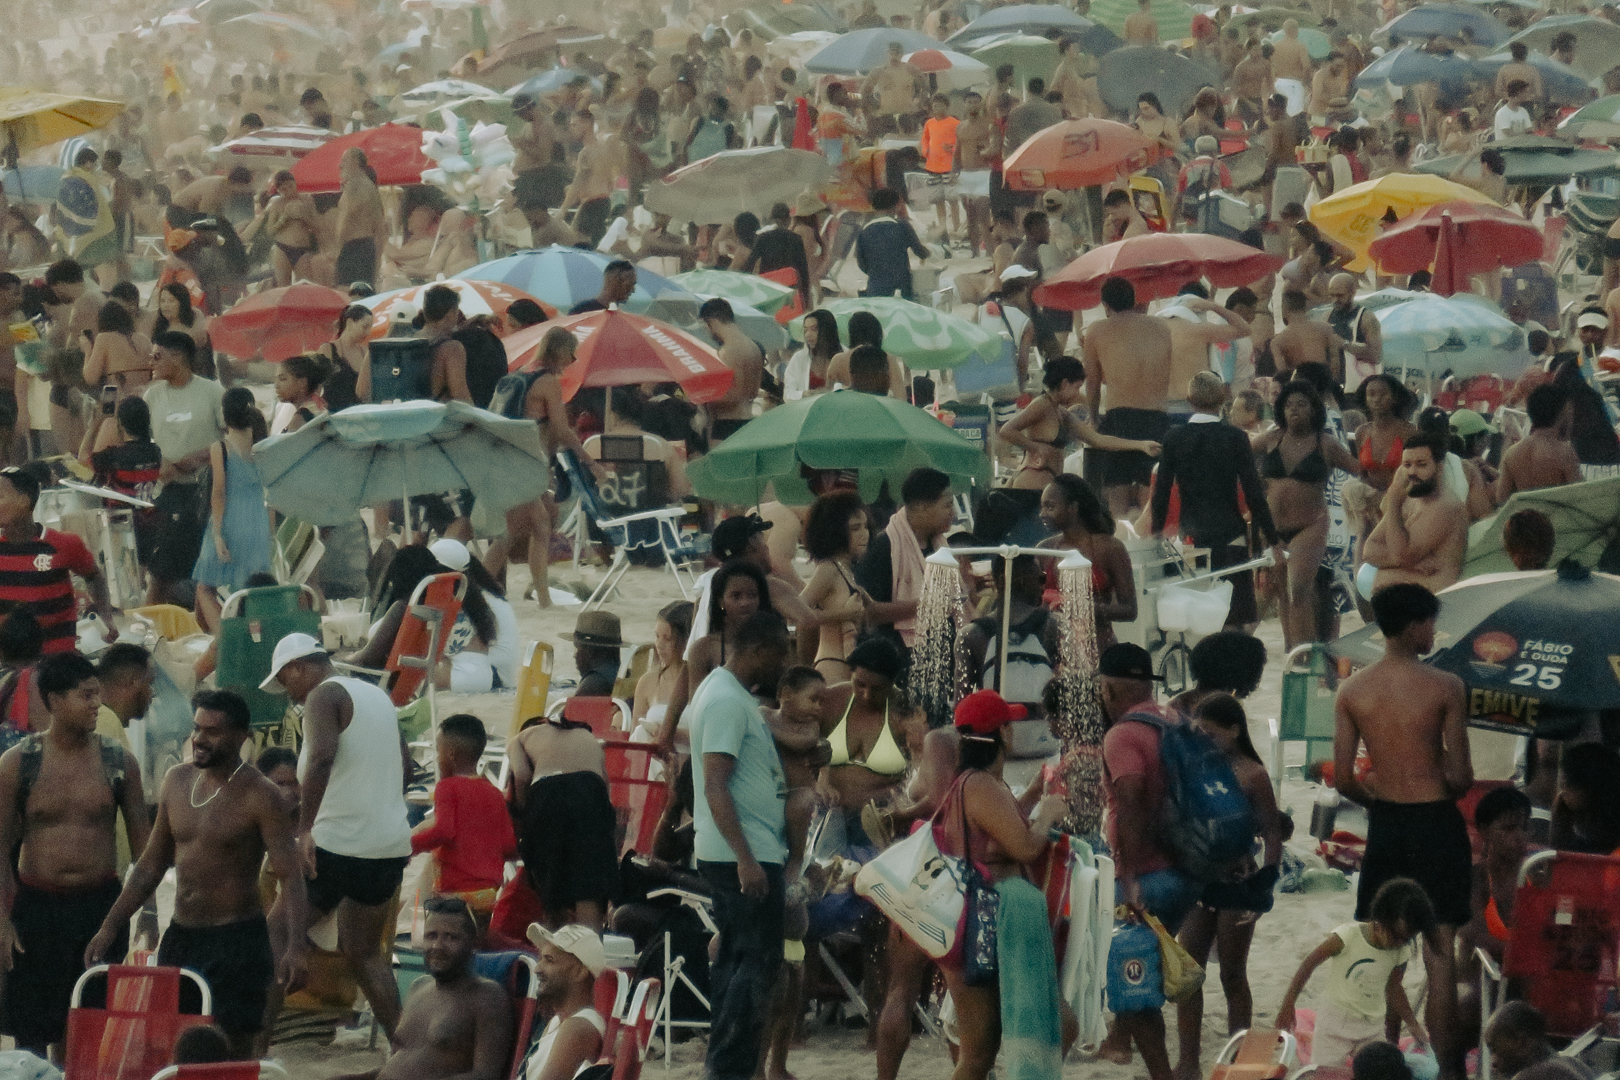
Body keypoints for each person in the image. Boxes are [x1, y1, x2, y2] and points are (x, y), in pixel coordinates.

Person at [85, 690, 306, 1059]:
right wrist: (110, 926)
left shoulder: (260, 794)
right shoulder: (177, 780)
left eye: (213, 731)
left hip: (236, 939)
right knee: (174, 1043)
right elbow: (151, 865)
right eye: (197, 728)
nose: (200, 738)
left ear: (241, 736)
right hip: (182, 936)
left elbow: (291, 876)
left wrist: (296, 947)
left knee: (232, 1049)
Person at [1334, 583, 1472, 1080]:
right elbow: (1461, 779)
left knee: (1386, 950)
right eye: (1431, 622)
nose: (1434, 632)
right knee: (1440, 955)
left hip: (1389, 824)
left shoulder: (1353, 690)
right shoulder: (1446, 686)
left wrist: (1380, 800)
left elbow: (1344, 778)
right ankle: (1450, 1071)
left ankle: (1387, 1059)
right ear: (1414, 626)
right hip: (1436, 822)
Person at [260, 632, 412, 1040]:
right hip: (387, 845)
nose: (290, 695)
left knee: (276, 932)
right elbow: (406, 765)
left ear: (297, 667)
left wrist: (305, 829)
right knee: (364, 952)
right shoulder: (377, 696)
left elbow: (322, 757)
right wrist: (380, 812)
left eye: (286, 682)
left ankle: (256, 1050)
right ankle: (404, 1050)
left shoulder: (322, 695)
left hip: (338, 844)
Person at [0, 651, 149, 1058]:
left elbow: (146, 852)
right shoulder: (18, 764)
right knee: (31, 1033)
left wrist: (147, 913)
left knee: (89, 1030)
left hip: (100, 908)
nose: (97, 704)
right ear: (54, 700)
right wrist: (3, 922)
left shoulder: (118, 762)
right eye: (85, 695)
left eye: (97, 694)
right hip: (36, 909)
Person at [935, 690, 1070, 1080]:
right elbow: (1025, 847)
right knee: (981, 1051)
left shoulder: (971, 782)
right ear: (1003, 734)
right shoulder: (982, 785)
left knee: (982, 1050)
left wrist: (1031, 795)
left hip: (976, 913)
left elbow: (996, 832)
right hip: (993, 917)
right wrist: (1047, 814)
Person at [689, 610, 792, 1080]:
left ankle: (728, 1067)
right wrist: (746, 859)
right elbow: (716, 784)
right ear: (758, 649)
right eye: (780, 653)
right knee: (754, 965)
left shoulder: (728, 695)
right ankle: (729, 1069)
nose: (784, 664)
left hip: (745, 848)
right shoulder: (726, 701)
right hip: (743, 852)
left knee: (737, 961)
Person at [1094, 643, 1201, 1080]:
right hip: (1188, 870)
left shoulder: (1122, 735)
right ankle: (1125, 1044)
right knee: (1147, 967)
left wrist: (1131, 876)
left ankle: (1162, 1075)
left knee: (1135, 983)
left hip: (1149, 875)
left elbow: (1132, 798)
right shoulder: (1177, 720)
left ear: (1108, 687)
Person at [1174, 694, 1285, 1080]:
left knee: (1233, 975)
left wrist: (1266, 883)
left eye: (1210, 733)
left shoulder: (1253, 774)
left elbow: (1272, 832)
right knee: (1188, 974)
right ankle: (1188, 1062)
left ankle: (1241, 1064)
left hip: (1238, 885)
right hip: (1199, 883)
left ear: (1235, 731)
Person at [1151, 372, 1280, 630]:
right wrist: (1273, 540)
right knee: (1235, 616)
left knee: (1199, 617)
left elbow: (1161, 493)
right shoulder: (1235, 437)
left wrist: (1155, 536)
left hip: (1191, 539)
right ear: (1223, 398)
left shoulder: (1174, 438)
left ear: (1189, 400)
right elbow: (1254, 493)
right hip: (1230, 535)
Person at [341, 898, 514, 1080]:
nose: (437, 946)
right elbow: (403, 1063)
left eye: (451, 937)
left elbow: (486, 1075)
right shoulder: (418, 987)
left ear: (473, 943)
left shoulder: (487, 997)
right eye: (431, 936)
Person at [1276, 878, 1434, 1067]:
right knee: (1325, 1072)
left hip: (1372, 1028)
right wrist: (1288, 1005)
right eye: (1396, 936)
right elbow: (1308, 965)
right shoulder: (1347, 937)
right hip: (1334, 1026)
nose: (1400, 943)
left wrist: (1412, 1023)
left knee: (1380, 1069)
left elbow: (1394, 988)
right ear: (1380, 920)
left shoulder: (1400, 951)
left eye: (1407, 939)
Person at [1255, 381, 1361, 648]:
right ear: (1281, 410)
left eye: (1302, 404)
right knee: (1282, 593)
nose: (1294, 410)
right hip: (1272, 528)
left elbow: (1359, 470)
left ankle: (1306, 654)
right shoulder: (1272, 438)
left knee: (1299, 589)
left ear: (1314, 409)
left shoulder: (1325, 443)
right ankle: (1293, 651)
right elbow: (1236, 452)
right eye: (1289, 405)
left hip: (1311, 525)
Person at [507, 676, 617, 932]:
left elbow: (521, 776)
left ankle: (555, 939)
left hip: (549, 793)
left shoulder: (521, 738)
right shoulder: (587, 736)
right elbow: (604, 788)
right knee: (589, 886)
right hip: (591, 792)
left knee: (552, 883)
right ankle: (591, 943)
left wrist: (524, 813)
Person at [817, 636, 920, 859]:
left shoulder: (906, 711)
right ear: (851, 673)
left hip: (880, 820)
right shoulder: (832, 700)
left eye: (877, 689)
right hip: (829, 815)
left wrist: (897, 807)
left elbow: (921, 772)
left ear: (893, 682)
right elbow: (799, 746)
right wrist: (819, 782)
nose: (866, 695)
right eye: (860, 684)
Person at [144, 330, 226, 605]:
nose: (151, 362)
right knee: (161, 572)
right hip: (169, 492)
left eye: (158, 356)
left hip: (206, 492)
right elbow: (144, 439)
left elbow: (232, 437)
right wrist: (161, 463)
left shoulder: (212, 392)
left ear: (178, 357)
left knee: (204, 571)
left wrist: (201, 456)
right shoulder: (153, 396)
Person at [0, 466, 118, 654]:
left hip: (56, 656)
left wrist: (106, 615)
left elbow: (94, 576)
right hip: (10, 657)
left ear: (24, 501)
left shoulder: (64, 544)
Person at [1000, 356, 1162, 491]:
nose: (1078, 393)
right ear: (1064, 384)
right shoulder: (1041, 405)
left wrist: (1141, 445)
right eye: (1077, 387)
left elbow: (1097, 440)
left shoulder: (1060, 412)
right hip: (1033, 478)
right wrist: (1034, 447)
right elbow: (1006, 430)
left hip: (1050, 479)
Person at [1084, 276, 1174, 517]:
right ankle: (1147, 538)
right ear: (1134, 300)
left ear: (1106, 305)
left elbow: (1092, 383)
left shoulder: (1097, 330)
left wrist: (1093, 418)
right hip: (1157, 416)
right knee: (1150, 495)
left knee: (1117, 497)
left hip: (1120, 417)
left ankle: (1121, 538)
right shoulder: (1161, 327)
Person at [411, 714, 517, 916]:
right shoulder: (494, 792)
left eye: (438, 750)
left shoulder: (447, 787)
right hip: (488, 891)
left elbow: (444, 831)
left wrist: (410, 847)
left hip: (455, 889)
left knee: (448, 932)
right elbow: (509, 845)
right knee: (477, 934)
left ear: (450, 753)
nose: (437, 758)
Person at [192, 387, 272, 631]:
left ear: (225, 415)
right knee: (250, 590)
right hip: (257, 522)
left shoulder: (221, 447)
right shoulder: (265, 444)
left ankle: (224, 640)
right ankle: (249, 635)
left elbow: (219, 493)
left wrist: (217, 534)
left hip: (230, 521)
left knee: (205, 587)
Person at [856, 466, 957, 653]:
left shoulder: (939, 546)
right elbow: (867, 611)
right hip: (899, 653)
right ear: (922, 507)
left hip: (941, 649)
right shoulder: (885, 547)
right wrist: (925, 605)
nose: (954, 513)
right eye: (948, 505)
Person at [1360, 432, 1469, 599]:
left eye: (1421, 465)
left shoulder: (1445, 506)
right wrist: (1413, 563)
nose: (1412, 472)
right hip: (1396, 596)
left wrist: (1394, 505)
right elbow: (1369, 549)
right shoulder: (1409, 498)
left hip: (1431, 599)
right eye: (1407, 464)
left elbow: (1403, 556)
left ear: (1439, 468)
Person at [1039, 474, 1137, 649]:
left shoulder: (1110, 548)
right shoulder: (1044, 549)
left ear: (1073, 508)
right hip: (1051, 649)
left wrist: (1083, 607)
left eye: (1050, 507)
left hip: (1099, 649)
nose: (1042, 514)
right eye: (1042, 507)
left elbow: (1129, 610)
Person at [799, 489, 870, 679]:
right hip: (832, 665)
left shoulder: (846, 570)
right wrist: (844, 614)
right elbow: (797, 612)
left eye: (865, 526)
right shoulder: (828, 569)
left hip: (846, 666)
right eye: (855, 528)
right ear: (835, 532)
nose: (864, 534)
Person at [521, 924, 607, 1080]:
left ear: (579, 972)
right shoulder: (558, 1021)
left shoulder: (578, 1027)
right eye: (541, 959)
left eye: (549, 960)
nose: (537, 968)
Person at [1497, 385, 1580, 502]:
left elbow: (1501, 499)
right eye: (1570, 413)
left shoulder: (1512, 453)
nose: (1572, 420)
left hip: (1525, 513)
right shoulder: (1564, 453)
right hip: (1554, 513)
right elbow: (1580, 496)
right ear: (1561, 415)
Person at [632, 600, 694, 753]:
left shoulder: (703, 681)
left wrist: (670, 734)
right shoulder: (648, 681)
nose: (659, 644)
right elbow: (634, 739)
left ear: (687, 640)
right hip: (652, 759)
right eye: (657, 636)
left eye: (668, 639)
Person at [700, 298, 763, 444]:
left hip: (727, 425)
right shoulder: (754, 348)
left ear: (713, 322)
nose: (708, 332)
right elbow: (753, 392)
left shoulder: (726, 352)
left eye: (706, 326)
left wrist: (702, 396)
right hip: (748, 421)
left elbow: (732, 396)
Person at [1485, 1002, 1593, 1080]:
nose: (1493, 1062)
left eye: (1495, 1049)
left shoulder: (1531, 1076)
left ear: (1522, 1043)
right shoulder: (1574, 1063)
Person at [855, 188, 930, 300]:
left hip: (875, 290)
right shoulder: (902, 226)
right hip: (902, 289)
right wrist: (928, 253)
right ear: (896, 206)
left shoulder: (863, 231)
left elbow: (862, 264)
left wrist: (877, 273)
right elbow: (920, 251)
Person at [739, 203, 811, 310]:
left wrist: (744, 288)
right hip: (790, 286)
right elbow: (803, 270)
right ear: (788, 219)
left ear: (772, 218)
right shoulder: (796, 238)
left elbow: (750, 264)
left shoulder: (763, 238)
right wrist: (806, 297)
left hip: (769, 287)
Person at [334, 148, 385, 287]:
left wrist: (337, 252)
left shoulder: (354, 185)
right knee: (362, 291)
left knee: (346, 292)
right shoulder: (370, 187)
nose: (340, 165)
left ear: (355, 161)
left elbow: (345, 220)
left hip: (354, 247)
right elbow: (380, 228)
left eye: (344, 161)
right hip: (367, 247)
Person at [314, 305, 372, 412]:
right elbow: (315, 386)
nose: (368, 332)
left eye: (369, 328)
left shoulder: (366, 352)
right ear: (349, 323)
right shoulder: (328, 350)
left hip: (359, 414)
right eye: (364, 327)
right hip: (334, 413)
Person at [783, 308, 841, 401]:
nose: (808, 334)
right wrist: (804, 394)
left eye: (814, 329)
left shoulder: (844, 357)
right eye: (805, 330)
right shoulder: (799, 358)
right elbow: (788, 394)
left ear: (827, 330)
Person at [271, 352, 328, 435]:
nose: (276, 385)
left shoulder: (302, 418)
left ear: (302, 382)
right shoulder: (316, 409)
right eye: (276, 379)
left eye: (282, 379)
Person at [570, 260, 637, 316]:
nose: (633, 290)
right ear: (614, 281)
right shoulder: (581, 313)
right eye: (630, 284)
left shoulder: (620, 317)